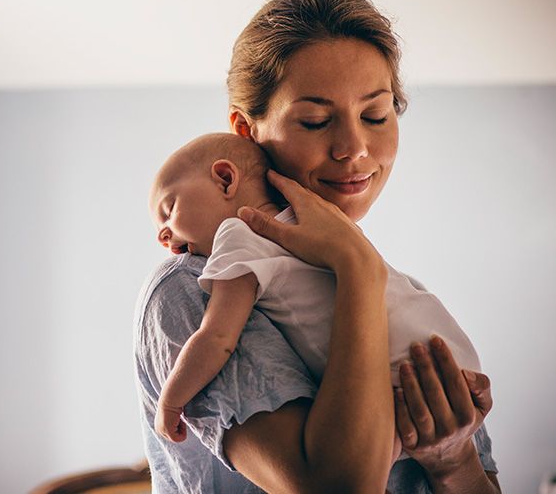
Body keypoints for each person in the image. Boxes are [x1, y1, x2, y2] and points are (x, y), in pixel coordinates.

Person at [133, 0, 500, 493]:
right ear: (247, 132)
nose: (353, 149)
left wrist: (454, 462)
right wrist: (357, 269)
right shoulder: (193, 286)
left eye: (376, 114)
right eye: (315, 120)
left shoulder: (399, 301)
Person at [148, 132, 482, 465]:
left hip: (399, 369)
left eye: (169, 209)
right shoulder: (325, 227)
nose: (163, 235)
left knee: (362, 463)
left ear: (225, 179)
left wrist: (171, 401)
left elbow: (217, 336)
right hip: (450, 356)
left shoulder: (238, 234)